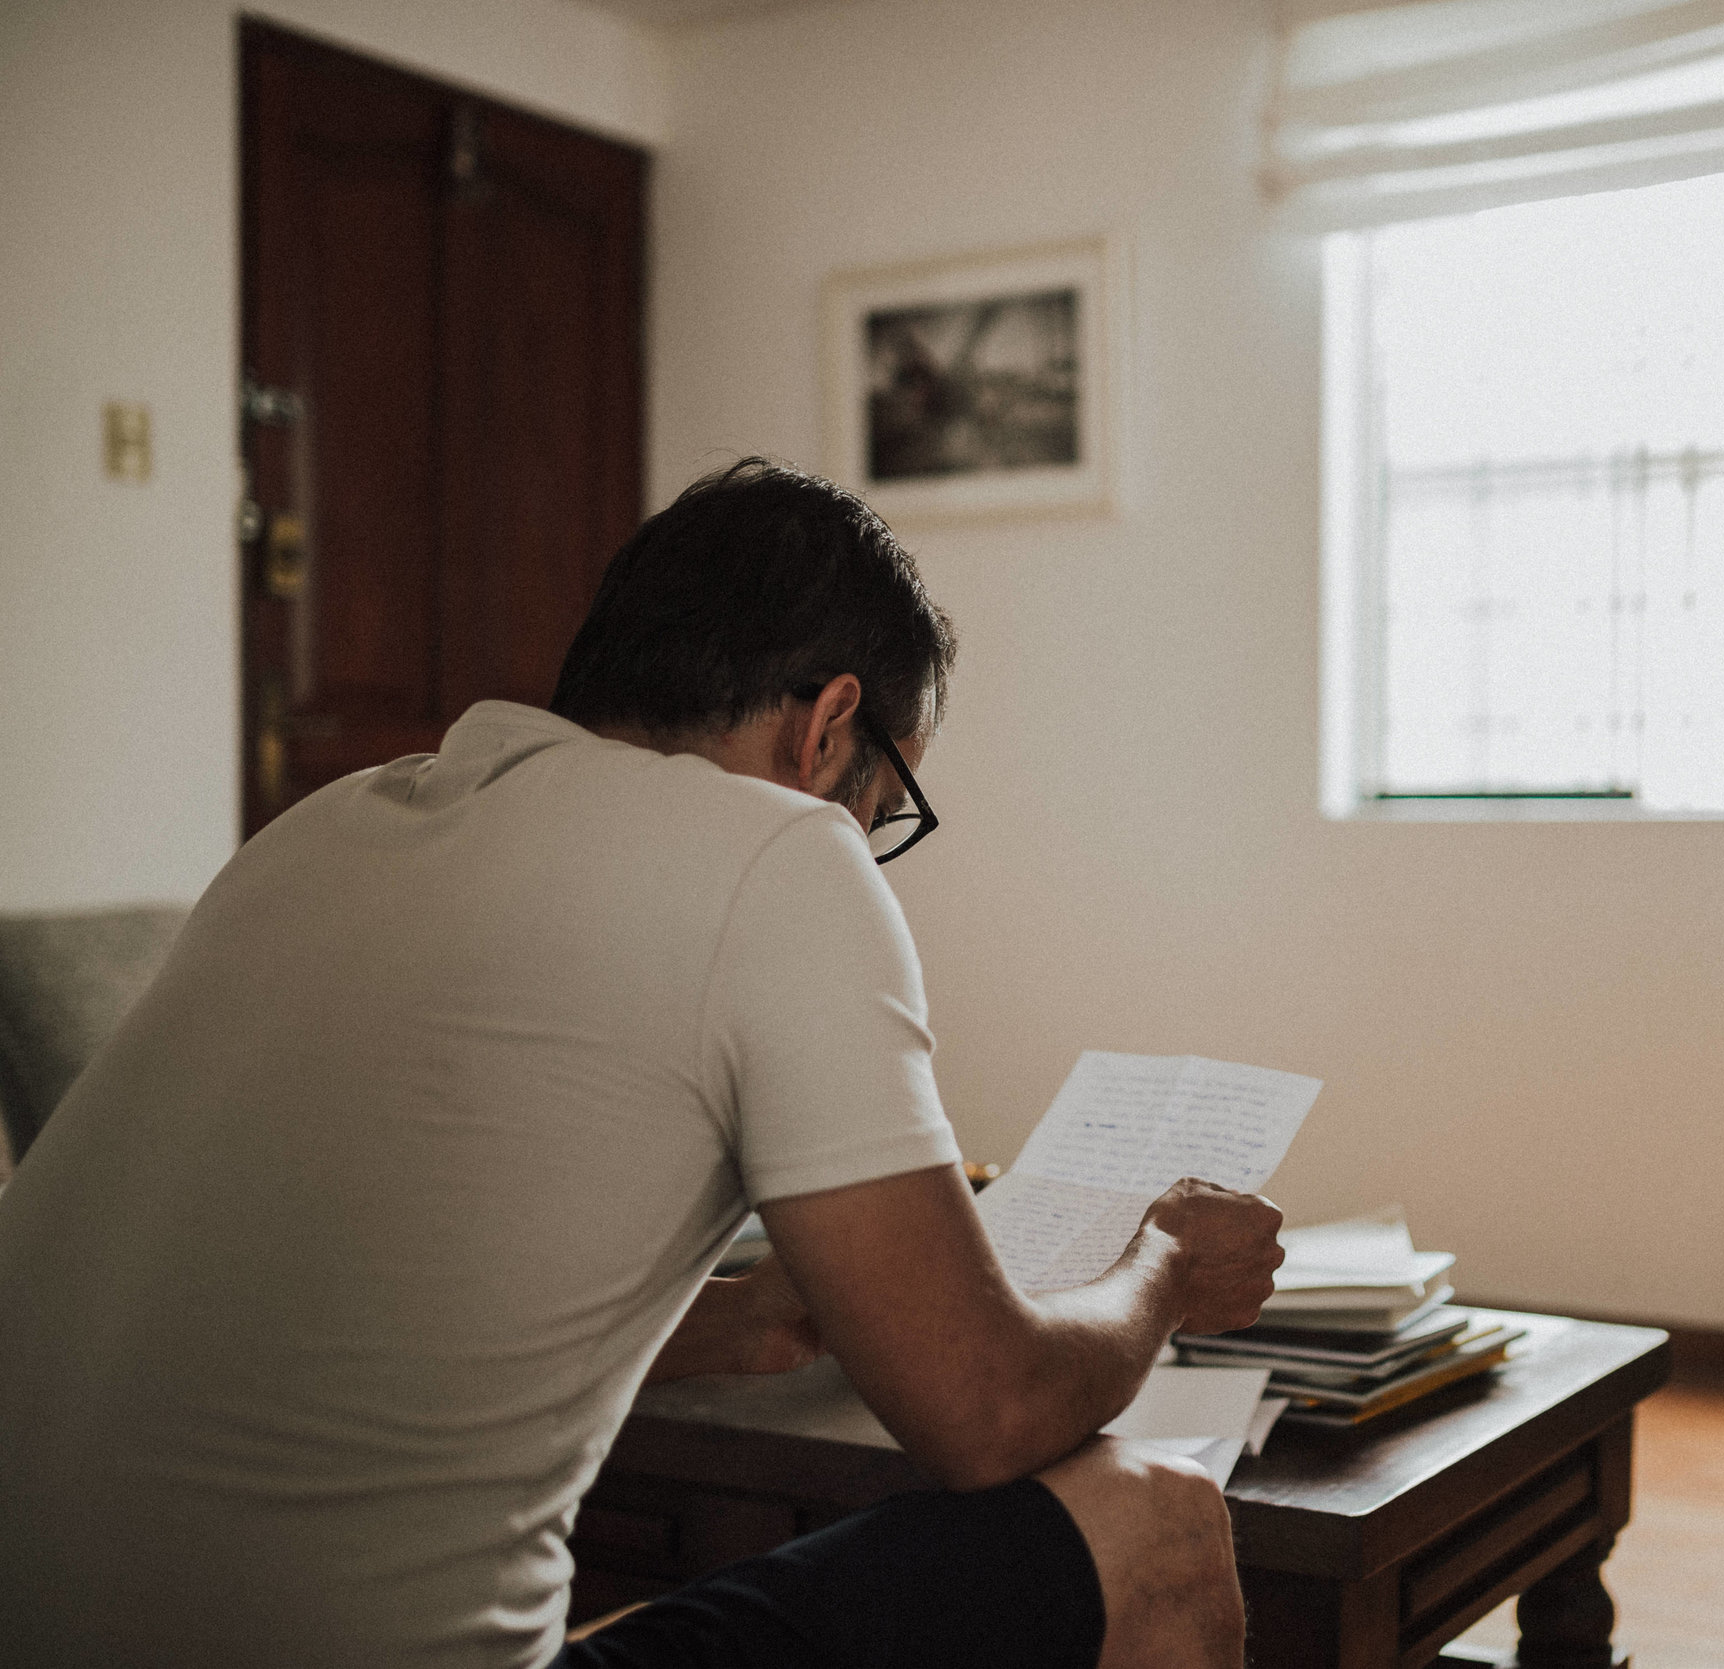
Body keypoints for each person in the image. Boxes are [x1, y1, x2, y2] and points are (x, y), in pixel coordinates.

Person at [0, 458, 1283, 1669]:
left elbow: (315, 1308)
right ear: (831, 726)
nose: (865, 842)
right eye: (886, 811)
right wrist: (1163, 1264)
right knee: (1153, 1519)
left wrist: (730, 1319)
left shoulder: (323, 825)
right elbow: (984, 1413)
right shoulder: (779, 849)